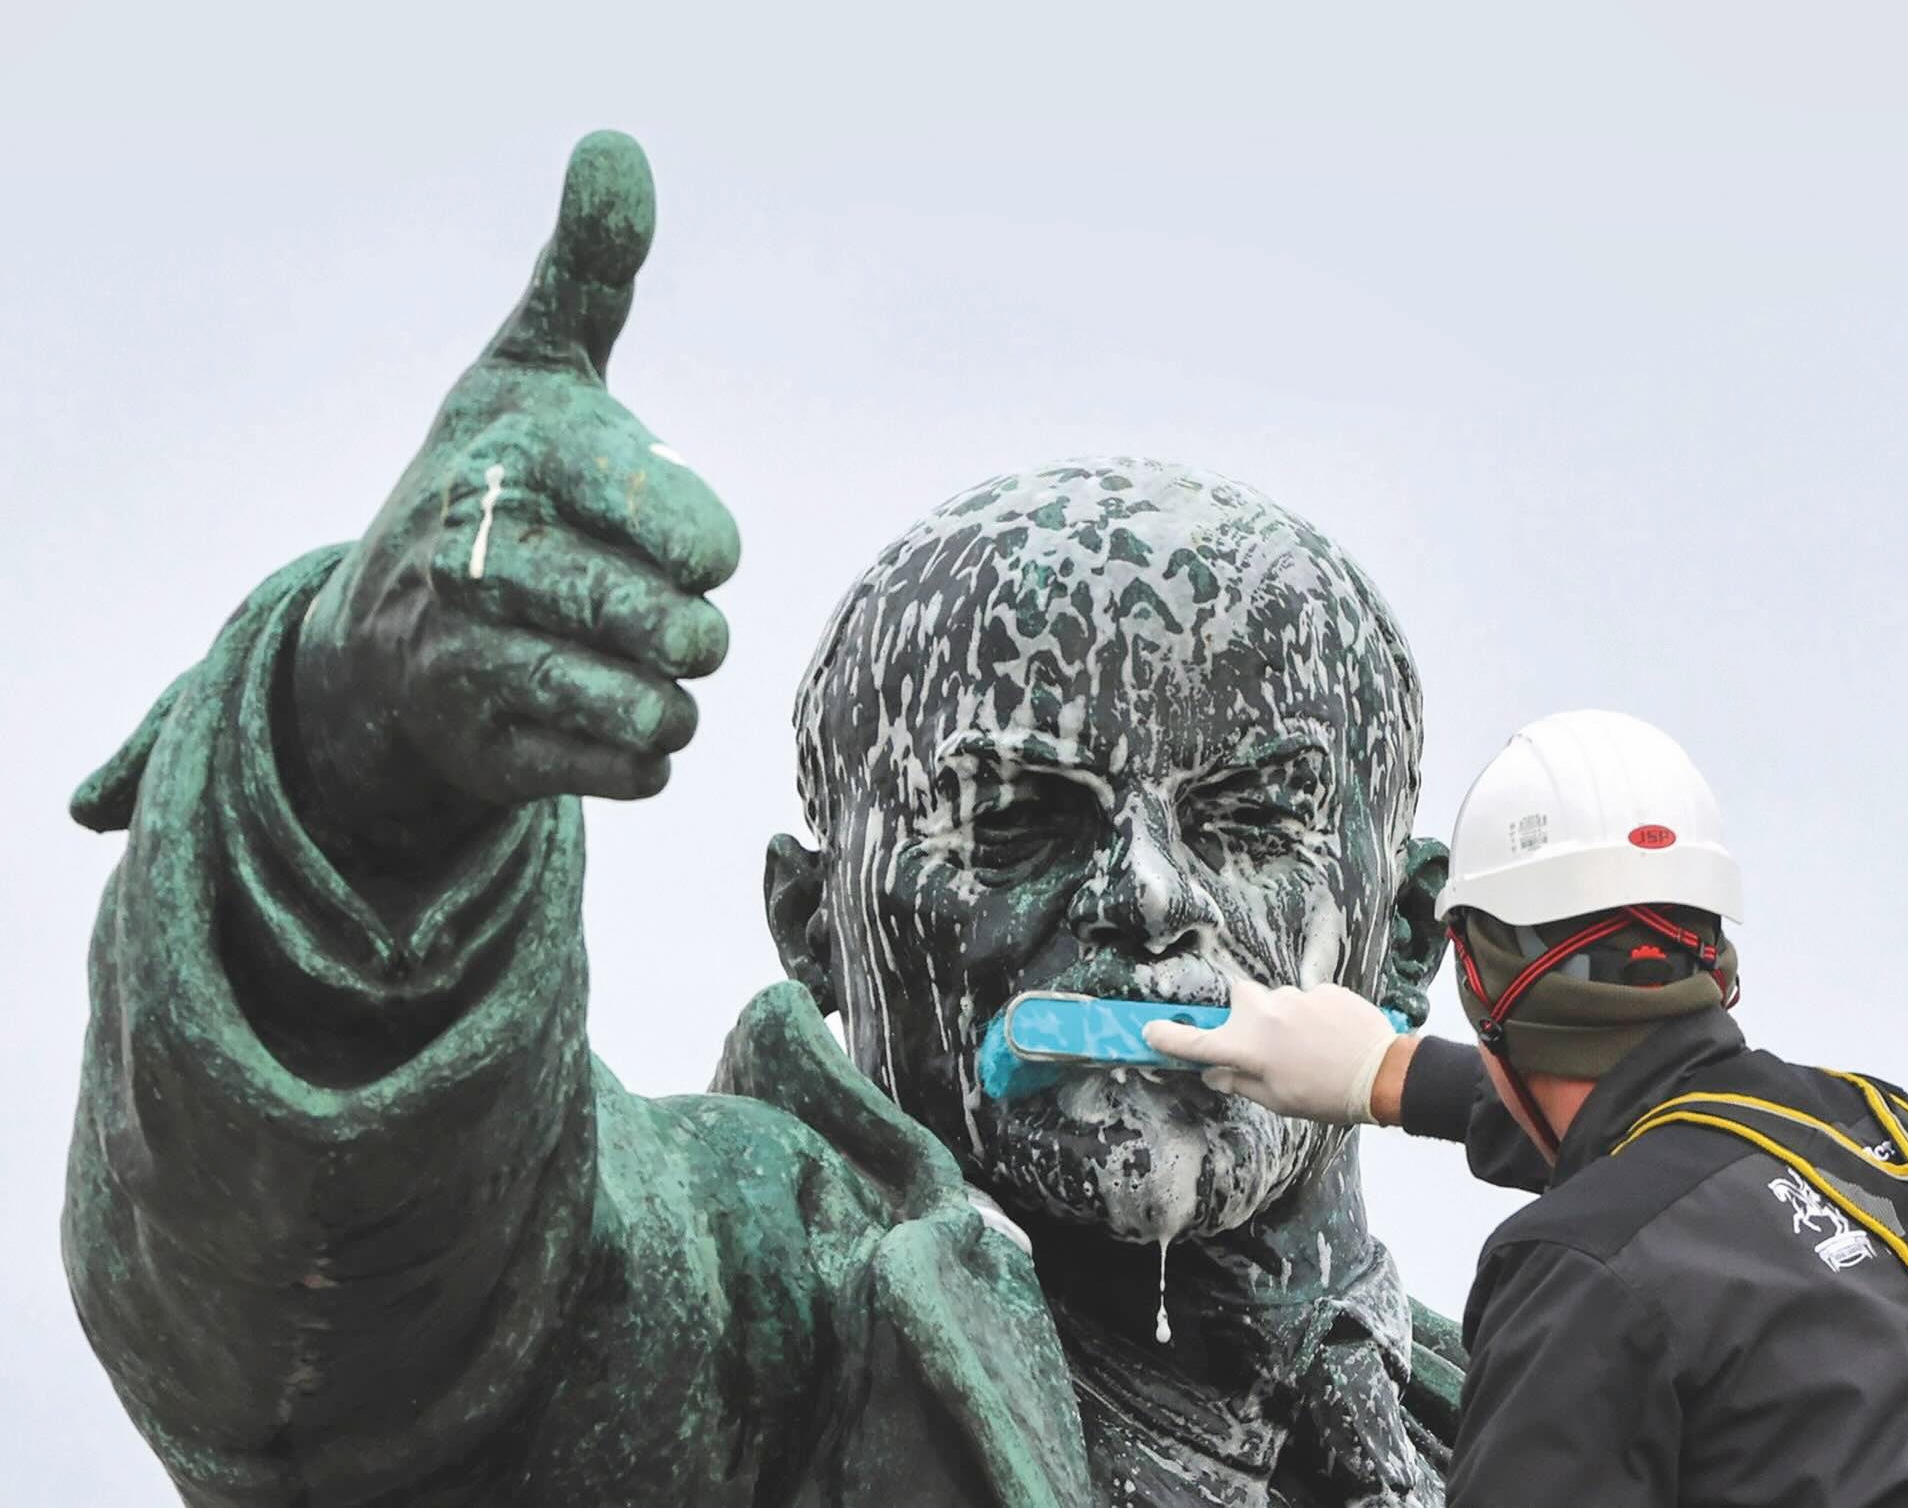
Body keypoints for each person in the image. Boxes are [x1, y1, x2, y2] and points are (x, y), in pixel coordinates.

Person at [63, 131, 1466, 1507]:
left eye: (1244, 819)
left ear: (1402, 933)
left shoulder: (1567, 1391)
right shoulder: (738, 1334)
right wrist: (367, 781)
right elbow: (354, 1321)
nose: (1150, 896)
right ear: (814, 924)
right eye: (1014, 819)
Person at [1147, 709, 1908, 1507]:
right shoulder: (1884, 1136)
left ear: (1475, 975)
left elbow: (1641, 1206)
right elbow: (1683, 1168)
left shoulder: (1583, 1273)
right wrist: (1381, 1072)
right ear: (1710, 944)